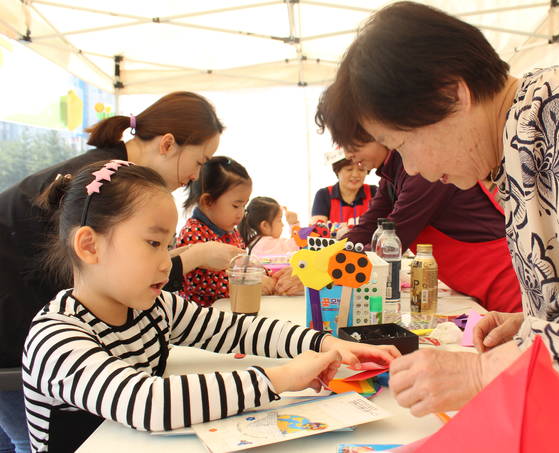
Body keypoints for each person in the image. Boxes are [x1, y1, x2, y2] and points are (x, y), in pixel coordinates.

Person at [319, 1, 559, 448]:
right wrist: (537, 322)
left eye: (403, 145)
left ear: (451, 93)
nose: (414, 168)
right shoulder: (521, 140)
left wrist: (482, 370)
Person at [23, 160, 400, 452]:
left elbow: (237, 330)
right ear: (89, 245)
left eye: (169, 244)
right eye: (153, 244)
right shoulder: (55, 338)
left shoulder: (154, 308)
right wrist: (283, 378)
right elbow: (147, 403)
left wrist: (323, 344)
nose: (166, 261)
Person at [0, 91, 230, 452]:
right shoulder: (98, 187)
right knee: (24, 439)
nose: (195, 177)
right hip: (11, 327)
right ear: (168, 144)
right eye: (199, 162)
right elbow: (116, 273)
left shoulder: (111, 176)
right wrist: (193, 256)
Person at [312, 133, 521, 312]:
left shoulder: (423, 171)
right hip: (473, 282)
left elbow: (393, 239)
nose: (349, 155)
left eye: (353, 145)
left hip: (505, 279)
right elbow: (367, 226)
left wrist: (325, 270)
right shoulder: (391, 174)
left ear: (377, 132)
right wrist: (320, 261)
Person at [178, 156, 278, 305]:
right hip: (204, 318)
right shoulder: (193, 233)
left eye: (244, 206)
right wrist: (252, 282)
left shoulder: (232, 231)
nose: (241, 213)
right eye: (236, 206)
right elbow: (201, 283)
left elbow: (245, 263)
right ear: (208, 201)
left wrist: (271, 276)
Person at [311, 157, 376, 225]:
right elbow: (318, 229)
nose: (355, 175)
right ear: (337, 171)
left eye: (361, 169)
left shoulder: (374, 192)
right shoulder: (324, 195)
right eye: (349, 169)